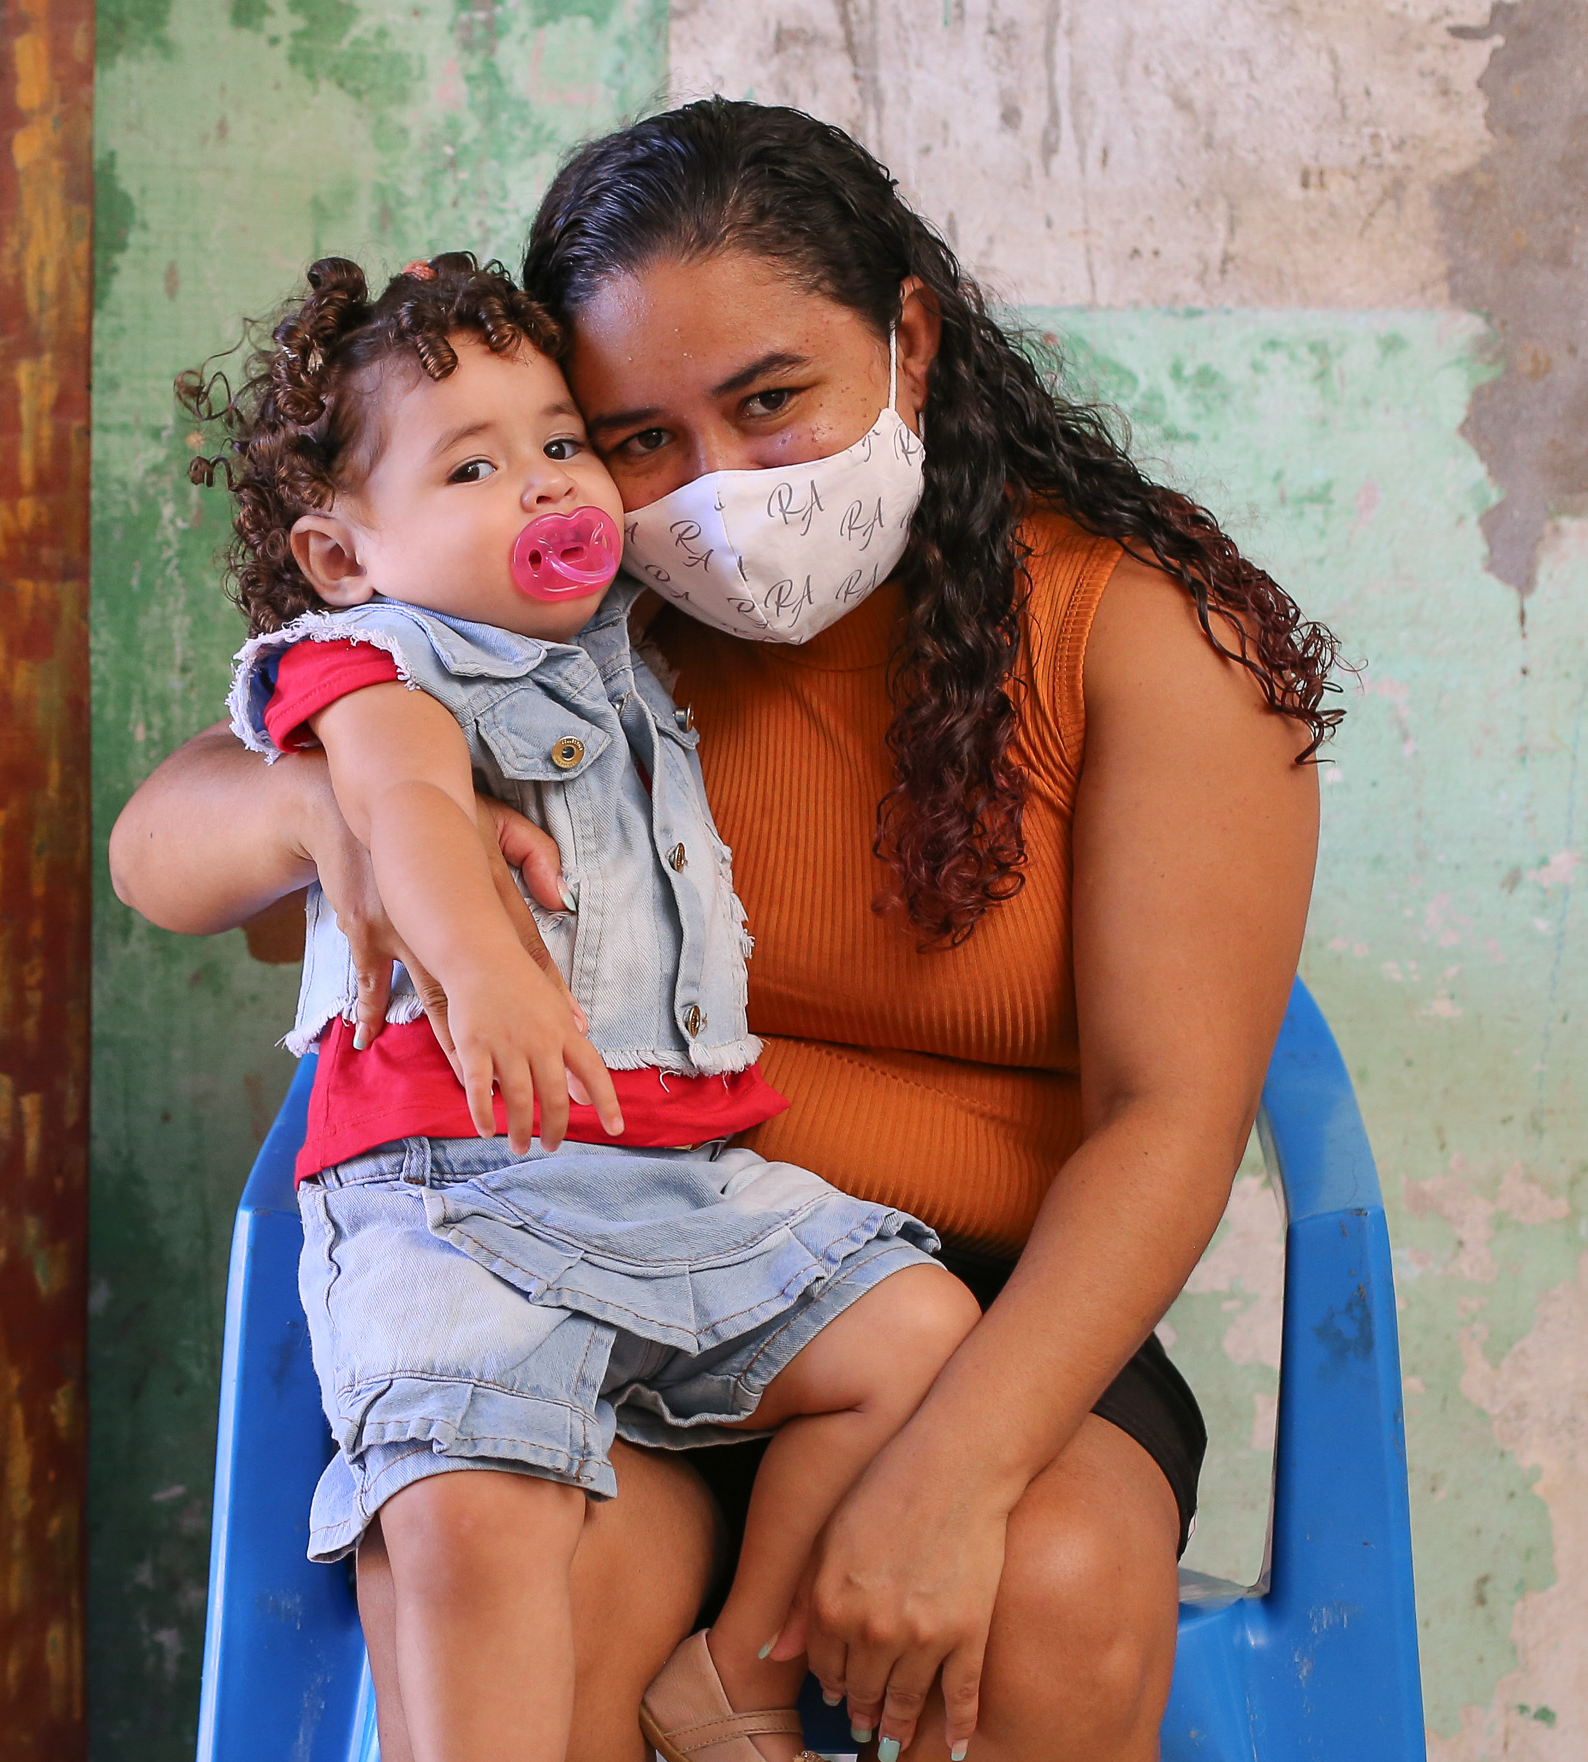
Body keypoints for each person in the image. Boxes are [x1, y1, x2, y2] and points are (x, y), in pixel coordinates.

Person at [114, 101, 1336, 1762]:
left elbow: (1170, 1117)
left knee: (1039, 1589)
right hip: (590, 1279)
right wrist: (334, 798)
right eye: (637, 438)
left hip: (981, 1325)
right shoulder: (573, 630)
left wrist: (952, 1476)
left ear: (908, 338)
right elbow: (166, 844)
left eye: (769, 402)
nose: (718, 491)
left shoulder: (1139, 634)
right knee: (539, 1643)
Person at [188, 248, 980, 1762]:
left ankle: (739, 1678)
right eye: (473, 465)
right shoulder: (375, 660)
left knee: (924, 1336)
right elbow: (407, 802)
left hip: (668, 1179)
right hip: (455, 1185)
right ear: (343, 553)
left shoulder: (629, 641)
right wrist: (485, 970)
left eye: (563, 444)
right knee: (468, 1524)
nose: (549, 487)